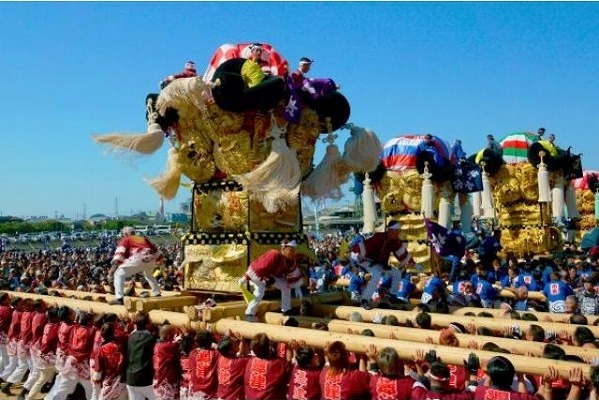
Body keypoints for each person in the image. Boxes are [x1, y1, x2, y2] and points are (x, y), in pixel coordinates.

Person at [351, 220, 413, 308]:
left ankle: (393, 296)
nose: (397, 232)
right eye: (395, 230)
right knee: (376, 274)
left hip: (379, 263)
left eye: (398, 230)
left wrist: (411, 262)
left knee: (395, 273)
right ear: (389, 230)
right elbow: (364, 247)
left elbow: (401, 253)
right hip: (366, 259)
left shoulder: (394, 241)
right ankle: (365, 300)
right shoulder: (379, 237)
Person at [240, 239, 300, 321]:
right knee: (259, 293)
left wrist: (297, 287)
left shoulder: (290, 261)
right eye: (291, 250)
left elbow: (291, 274)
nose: (293, 252)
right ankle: (249, 313)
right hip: (259, 276)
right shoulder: (274, 254)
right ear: (284, 249)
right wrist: (246, 277)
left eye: (294, 250)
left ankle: (286, 309)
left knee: (286, 287)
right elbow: (260, 267)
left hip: (271, 277)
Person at [109, 226, 163, 306]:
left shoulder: (126, 239)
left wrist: (113, 267)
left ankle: (119, 298)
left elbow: (119, 253)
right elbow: (156, 251)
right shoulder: (143, 238)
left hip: (139, 258)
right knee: (148, 274)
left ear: (126, 234)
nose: (123, 236)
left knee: (118, 274)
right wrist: (159, 260)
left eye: (123, 234)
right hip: (151, 259)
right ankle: (156, 292)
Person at [126, 312, 157, 400]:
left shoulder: (130, 337)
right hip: (146, 379)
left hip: (131, 378)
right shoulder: (151, 339)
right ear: (147, 324)